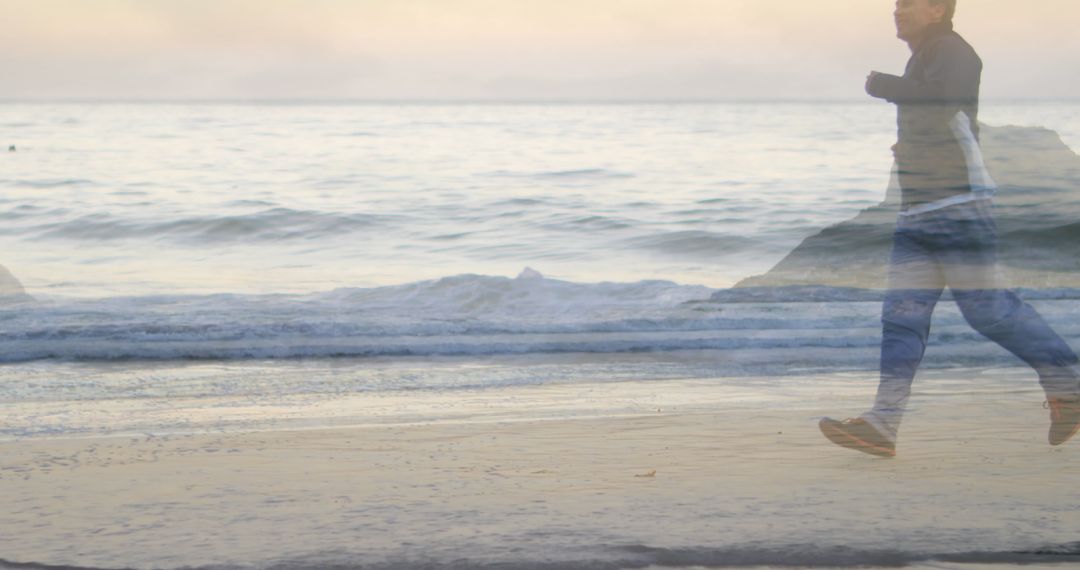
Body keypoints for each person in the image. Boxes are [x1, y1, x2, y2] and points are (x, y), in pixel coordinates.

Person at [819, 0, 1080, 458]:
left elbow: (945, 98)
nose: (896, 10)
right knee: (901, 319)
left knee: (990, 309)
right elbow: (937, 114)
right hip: (918, 211)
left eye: (908, 4)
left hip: (960, 205)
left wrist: (885, 86)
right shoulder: (924, 54)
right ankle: (882, 424)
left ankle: (1070, 386)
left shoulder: (955, 51)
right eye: (895, 4)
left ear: (938, 9)